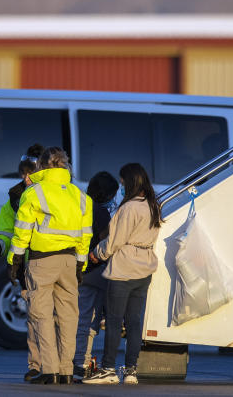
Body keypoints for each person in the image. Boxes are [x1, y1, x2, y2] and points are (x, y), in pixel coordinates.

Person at [8, 146, 92, 385]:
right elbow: (86, 235)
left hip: (41, 261)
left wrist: (14, 259)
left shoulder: (34, 192)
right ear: (65, 166)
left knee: (41, 315)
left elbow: (22, 230)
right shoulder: (80, 195)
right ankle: (66, 371)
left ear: (42, 166)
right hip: (69, 261)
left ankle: (49, 370)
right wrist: (80, 265)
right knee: (69, 318)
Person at [84, 163, 161, 386]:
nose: (120, 186)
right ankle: (131, 371)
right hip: (144, 269)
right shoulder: (152, 205)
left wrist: (97, 253)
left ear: (129, 182)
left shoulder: (128, 208)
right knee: (134, 322)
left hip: (124, 269)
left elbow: (115, 241)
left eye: (122, 182)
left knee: (115, 321)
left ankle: (108, 369)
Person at [0, 143, 43, 382]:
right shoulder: (14, 199)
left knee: (60, 320)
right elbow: (6, 232)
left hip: (55, 263)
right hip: (29, 265)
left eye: (31, 173)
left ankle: (62, 367)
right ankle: (36, 366)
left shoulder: (59, 194)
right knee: (35, 318)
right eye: (23, 173)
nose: (26, 178)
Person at [74, 171, 120, 380]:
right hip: (94, 271)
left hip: (77, 268)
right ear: (107, 194)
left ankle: (75, 359)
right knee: (89, 320)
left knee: (77, 317)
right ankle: (80, 362)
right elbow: (105, 242)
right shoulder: (100, 212)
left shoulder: (79, 205)